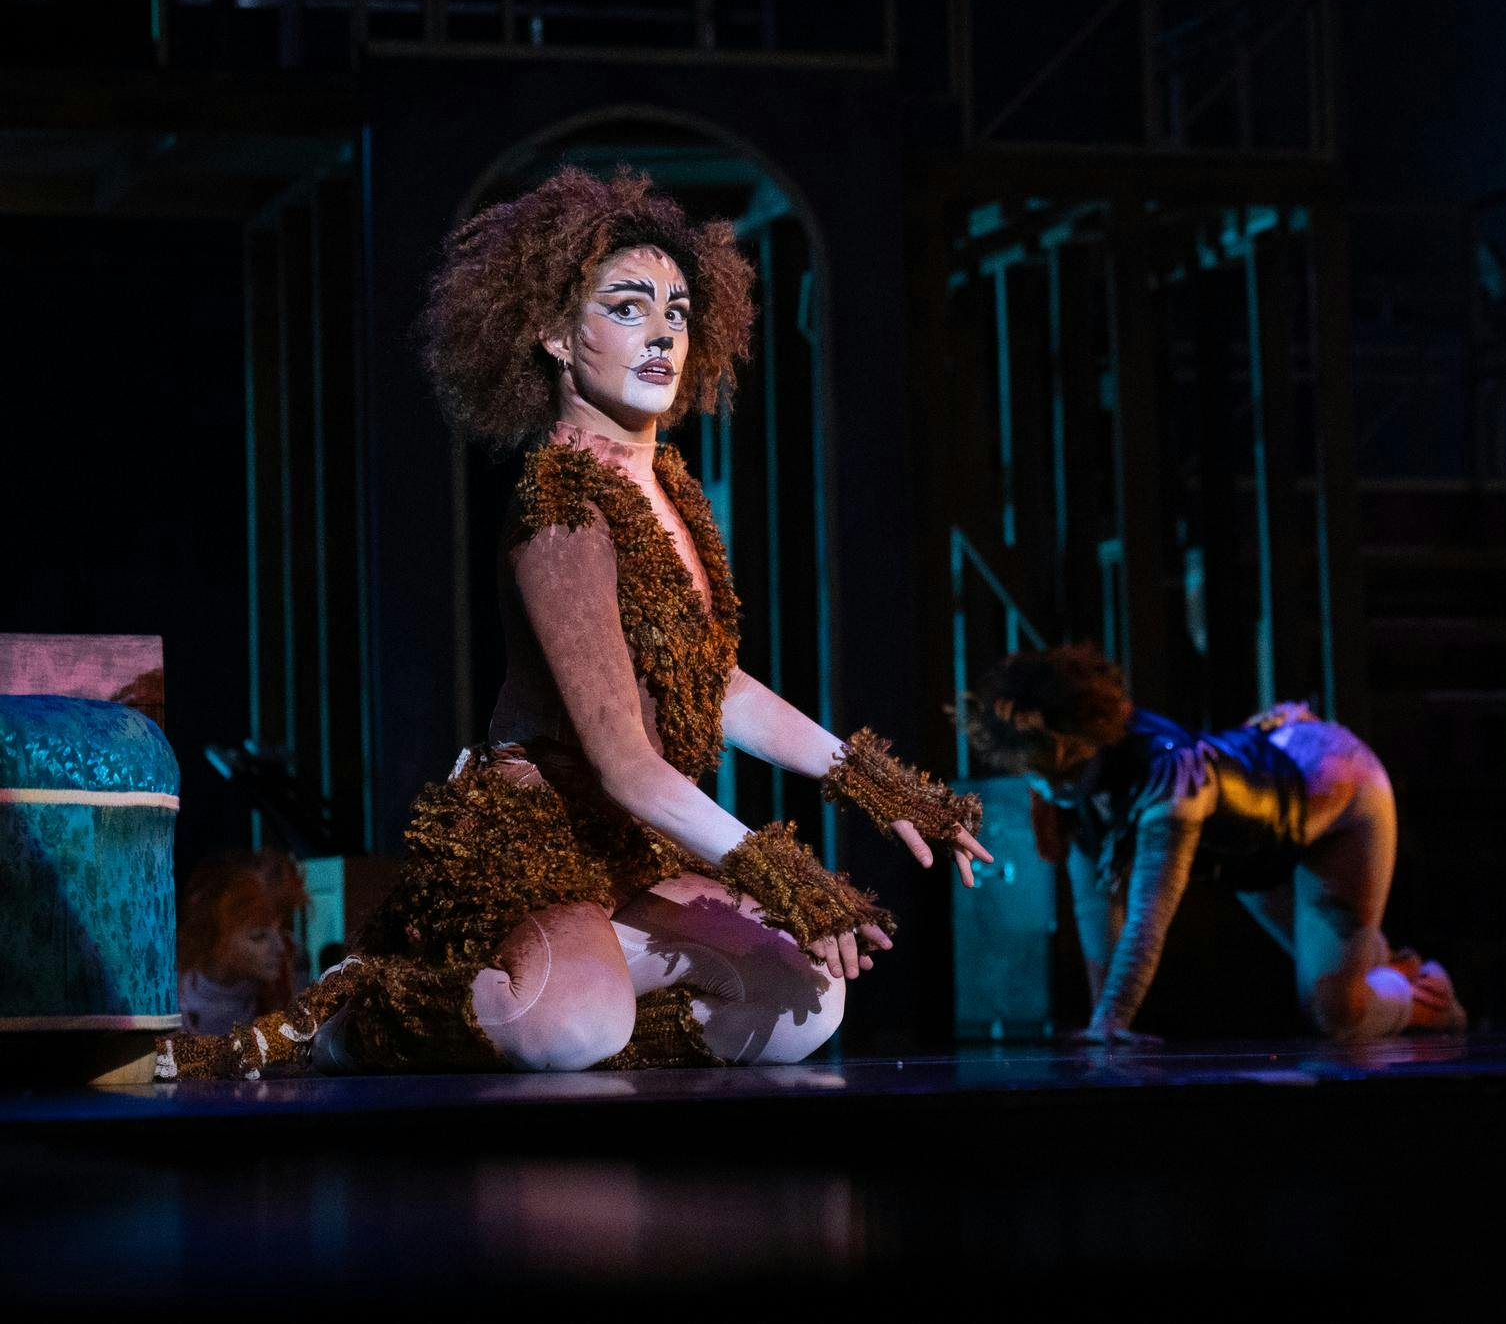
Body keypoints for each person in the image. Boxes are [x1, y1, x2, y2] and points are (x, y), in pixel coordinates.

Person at [158, 167, 987, 1080]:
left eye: (675, 310)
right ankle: (361, 1010)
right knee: (574, 1030)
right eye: (629, 308)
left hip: (631, 847)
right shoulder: (561, 504)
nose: (664, 333)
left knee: (807, 1002)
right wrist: (784, 874)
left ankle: (594, 995)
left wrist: (875, 782)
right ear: (556, 334)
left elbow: (711, 682)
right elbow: (624, 761)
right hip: (537, 845)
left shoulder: (668, 484)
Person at [962, 645, 1465, 1043]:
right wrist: (1102, 1021)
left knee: (1336, 1015)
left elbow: (1146, 918)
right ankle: (1396, 970)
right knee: (1340, 976)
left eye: (1055, 775)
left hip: (1338, 794)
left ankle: (1432, 996)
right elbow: (1098, 908)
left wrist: (1113, 1022)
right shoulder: (1068, 785)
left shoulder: (1168, 779)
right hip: (1253, 850)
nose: (1047, 789)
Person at [175, 850, 307, 1034]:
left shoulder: (279, 990)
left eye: (281, 932)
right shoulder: (173, 995)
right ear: (217, 937)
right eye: (258, 936)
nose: (280, 947)